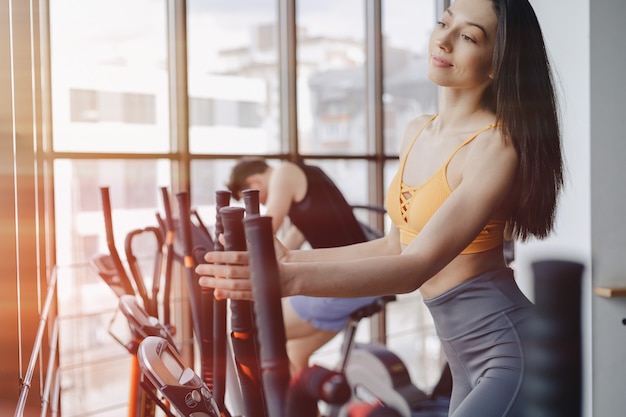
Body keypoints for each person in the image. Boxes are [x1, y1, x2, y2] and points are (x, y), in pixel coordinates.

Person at [198, 0, 563, 415]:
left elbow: (414, 268)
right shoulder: (417, 131)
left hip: (511, 354)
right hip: (465, 364)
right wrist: (292, 259)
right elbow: (396, 246)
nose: (442, 39)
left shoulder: (495, 146)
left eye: (466, 36)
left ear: (498, 62)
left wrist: (290, 280)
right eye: (444, 23)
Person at [226, 157, 380, 375]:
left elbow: (263, 230)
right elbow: (287, 246)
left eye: (253, 198)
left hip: (345, 281)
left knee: (254, 329)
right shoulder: (307, 176)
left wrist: (233, 253)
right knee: (296, 356)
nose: (260, 204)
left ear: (254, 182)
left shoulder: (284, 173)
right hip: (365, 280)